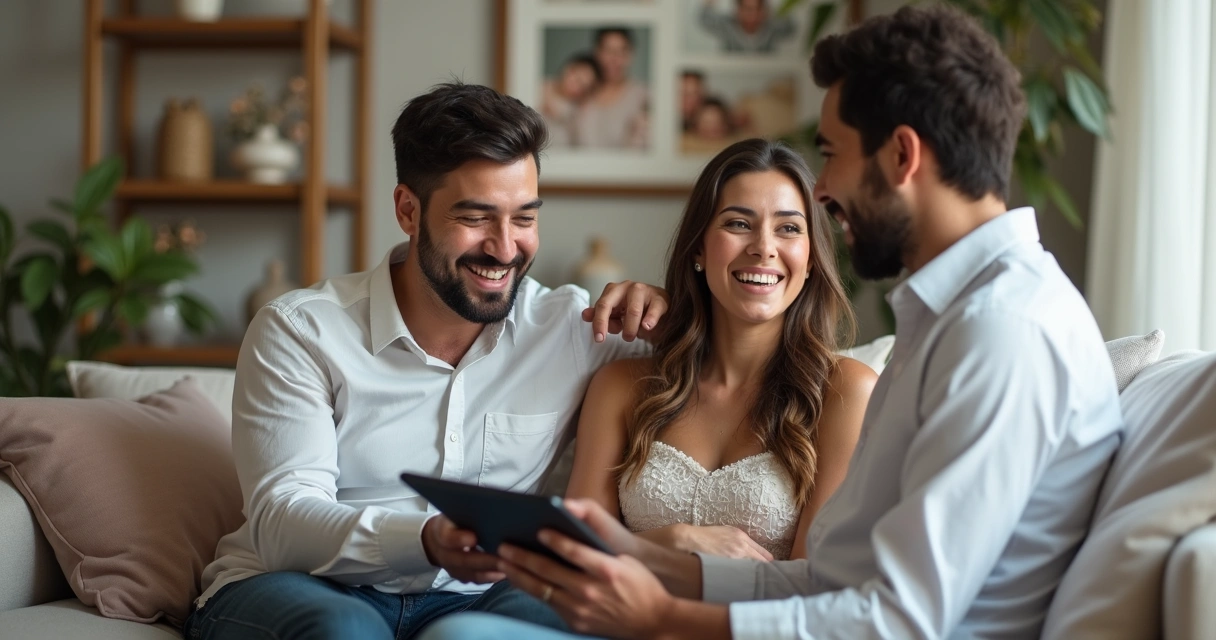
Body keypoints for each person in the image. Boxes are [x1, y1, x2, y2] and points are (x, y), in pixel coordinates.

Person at [419, 5, 1124, 639]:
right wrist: (641, 555)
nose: (823, 189)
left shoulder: (1002, 333)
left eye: (830, 153)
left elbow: (899, 620)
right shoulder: (953, 320)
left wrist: (664, 618)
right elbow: (832, 582)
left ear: (902, 155)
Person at [181, 82, 670, 640]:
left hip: (483, 599)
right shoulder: (301, 330)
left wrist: (675, 313)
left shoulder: (573, 329)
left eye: (524, 218)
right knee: (343, 630)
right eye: (476, 218)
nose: (505, 248)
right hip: (304, 585)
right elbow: (283, 520)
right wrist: (424, 540)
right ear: (408, 211)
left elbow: (727, 357)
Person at [565, 138, 877, 564]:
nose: (763, 247)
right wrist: (669, 542)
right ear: (698, 248)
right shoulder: (622, 385)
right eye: (738, 224)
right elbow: (575, 552)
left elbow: (815, 584)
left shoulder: (846, 391)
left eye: (788, 228)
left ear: (810, 261)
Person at [574, 27, 650, 149]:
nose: (614, 59)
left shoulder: (643, 95)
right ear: (596, 52)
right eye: (608, 50)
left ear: (631, 54)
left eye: (621, 51)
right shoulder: (579, 91)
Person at [541, 53, 602, 147]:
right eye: (578, 80)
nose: (577, 88)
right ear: (568, 69)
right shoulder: (539, 87)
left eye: (584, 87)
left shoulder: (577, 111)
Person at [699, 0, 795, 54]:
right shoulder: (727, 25)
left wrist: (775, 9)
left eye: (758, 9)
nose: (753, 15)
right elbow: (705, 18)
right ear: (738, 10)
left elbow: (791, 27)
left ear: (764, 11)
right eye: (748, 9)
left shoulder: (772, 27)